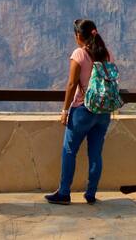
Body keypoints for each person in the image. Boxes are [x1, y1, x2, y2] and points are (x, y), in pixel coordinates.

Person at [44, 19, 114, 205]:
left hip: (83, 110)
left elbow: (71, 84)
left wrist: (65, 110)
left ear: (78, 36)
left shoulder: (79, 53)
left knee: (69, 151)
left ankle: (64, 193)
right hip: (103, 111)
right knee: (95, 154)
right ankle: (91, 194)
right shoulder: (106, 54)